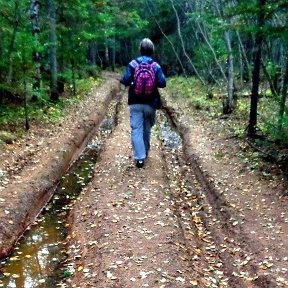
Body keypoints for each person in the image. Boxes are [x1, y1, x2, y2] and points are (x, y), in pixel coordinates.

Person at [120, 38, 166, 168]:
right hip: (151, 103)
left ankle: (139, 158)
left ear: (140, 49)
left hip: (135, 101)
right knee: (147, 128)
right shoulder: (155, 66)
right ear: (152, 50)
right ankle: (145, 151)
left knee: (136, 129)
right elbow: (163, 83)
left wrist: (133, 82)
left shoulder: (133, 64)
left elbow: (125, 80)